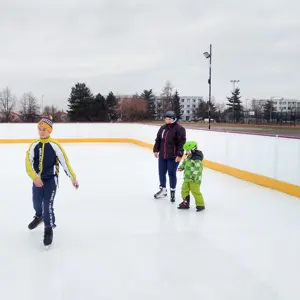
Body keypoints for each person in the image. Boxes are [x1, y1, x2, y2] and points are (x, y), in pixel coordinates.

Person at [25, 116, 79, 247]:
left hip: (51, 180)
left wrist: (73, 178)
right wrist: (35, 177)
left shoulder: (55, 146)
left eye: (44, 129)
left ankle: (48, 229)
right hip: (37, 180)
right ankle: (39, 217)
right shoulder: (34, 145)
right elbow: (28, 162)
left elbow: (65, 162)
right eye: (40, 129)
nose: (41, 131)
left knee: (47, 204)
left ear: (50, 131)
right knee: (37, 203)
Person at [153, 111, 186, 202]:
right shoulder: (162, 128)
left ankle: (172, 192)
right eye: (166, 119)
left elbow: (182, 143)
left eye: (169, 119)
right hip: (163, 155)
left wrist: (179, 155)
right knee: (161, 172)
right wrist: (156, 150)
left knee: (171, 174)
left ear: (174, 119)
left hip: (173, 156)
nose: (167, 120)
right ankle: (163, 189)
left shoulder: (180, 129)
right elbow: (158, 140)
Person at [177, 141, 205, 212]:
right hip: (187, 178)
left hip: (194, 179)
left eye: (188, 150)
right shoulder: (188, 156)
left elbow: (198, 169)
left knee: (195, 191)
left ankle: (200, 204)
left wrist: (193, 177)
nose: (186, 151)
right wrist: (181, 167)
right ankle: (185, 203)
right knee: (184, 190)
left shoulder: (197, 159)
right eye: (186, 150)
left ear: (193, 149)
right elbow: (184, 163)